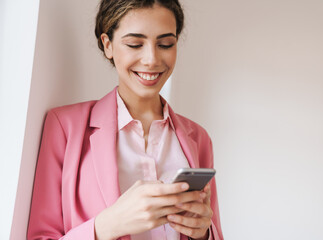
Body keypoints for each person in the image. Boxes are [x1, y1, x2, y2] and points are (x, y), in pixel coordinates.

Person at [27, 0, 223, 239]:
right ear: (107, 45)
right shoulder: (65, 127)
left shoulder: (198, 137)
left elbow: (214, 231)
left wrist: (203, 233)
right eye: (134, 44)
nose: (152, 59)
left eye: (165, 44)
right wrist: (109, 225)